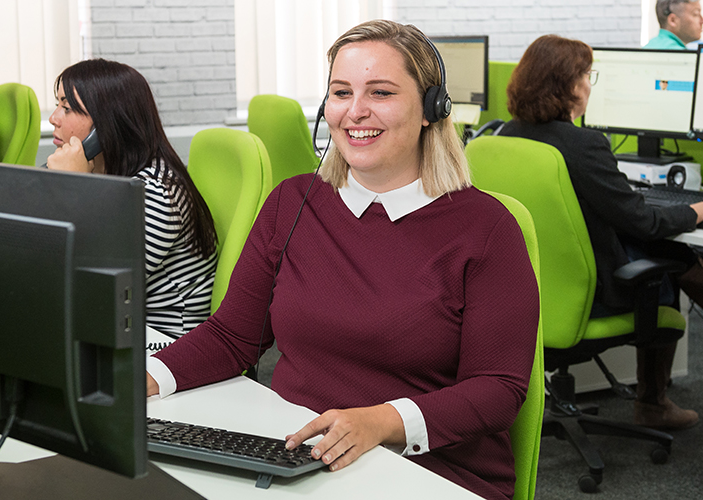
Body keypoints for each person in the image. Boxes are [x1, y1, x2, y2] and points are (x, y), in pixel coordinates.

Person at [147, 20, 539, 500]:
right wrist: (144, 379)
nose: (355, 111)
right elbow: (233, 337)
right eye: (341, 92)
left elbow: (498, 389)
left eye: (381, 92)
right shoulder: (294, 202)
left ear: (430, 110)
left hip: (431, 469)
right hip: (299, 453)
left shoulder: (486, 228)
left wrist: (382, 421)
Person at [499, 34, 703, 431]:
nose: (589, 85)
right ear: (569, 86)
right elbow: (644, 222)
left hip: (528, 296)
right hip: (590, 298)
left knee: (664, 247)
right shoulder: (583, 145)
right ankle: (655, 400)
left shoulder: (504, 137)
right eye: (586, 75)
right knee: (669, 254)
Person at [47, 59, 218, 338]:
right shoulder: (112, 176)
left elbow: (99, 286)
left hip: (162, 343)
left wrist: (78, 189)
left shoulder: (157, 192)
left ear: (105, 125)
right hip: (119, 327)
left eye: (66, 108)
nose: (54, 118)